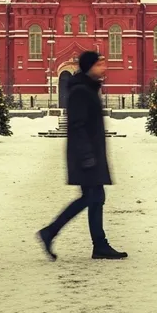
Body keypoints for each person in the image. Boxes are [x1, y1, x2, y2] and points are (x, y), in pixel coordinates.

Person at [37, 50, 128, 260]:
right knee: (91, 197)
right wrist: (87, 155)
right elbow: (77, 126)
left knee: (96, 197)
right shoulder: (81, 91)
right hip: (86, 155)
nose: (104, 68)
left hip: (90, 153)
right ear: (89, 67)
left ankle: (99, 245)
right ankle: (50, 231)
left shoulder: (87, 88)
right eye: (99, 64)